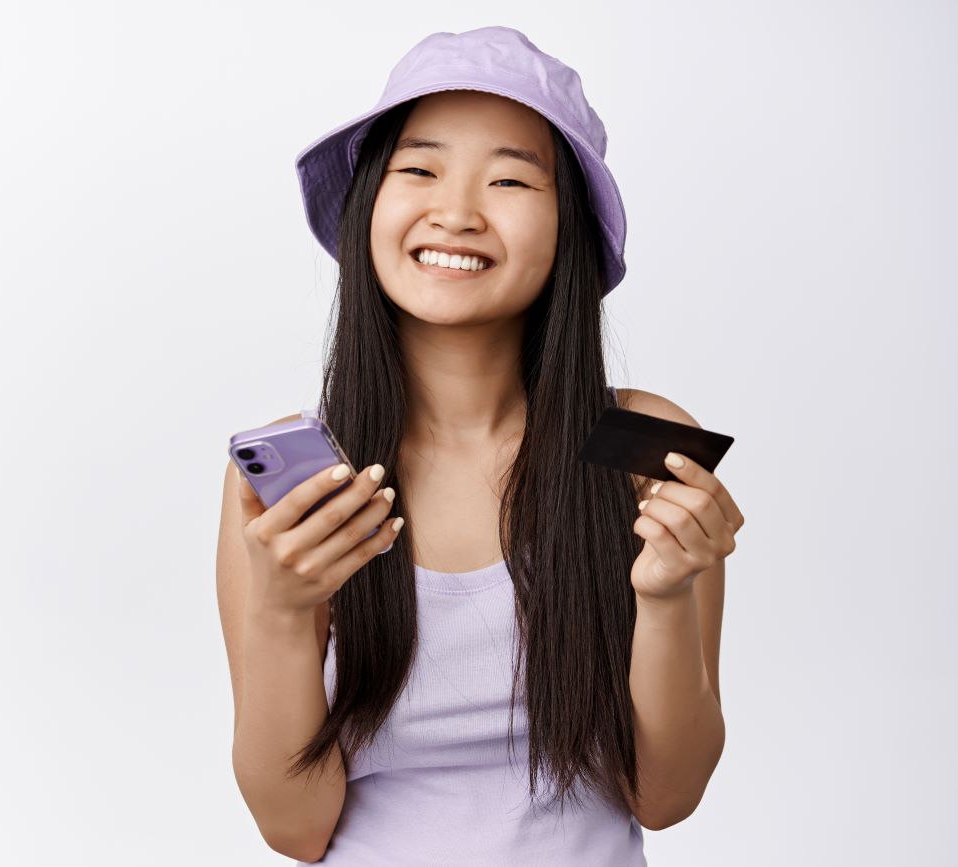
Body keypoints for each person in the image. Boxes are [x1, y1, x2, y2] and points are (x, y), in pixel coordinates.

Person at [216, 26, 744, 865]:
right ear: (368, 210)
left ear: (569, 227)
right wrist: (282, 612)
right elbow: (295, 828)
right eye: (418, 169)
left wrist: (667, 595)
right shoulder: (304, 474)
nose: (456, 211)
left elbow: (667, 795)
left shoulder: (641, 444)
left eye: (509, 178)